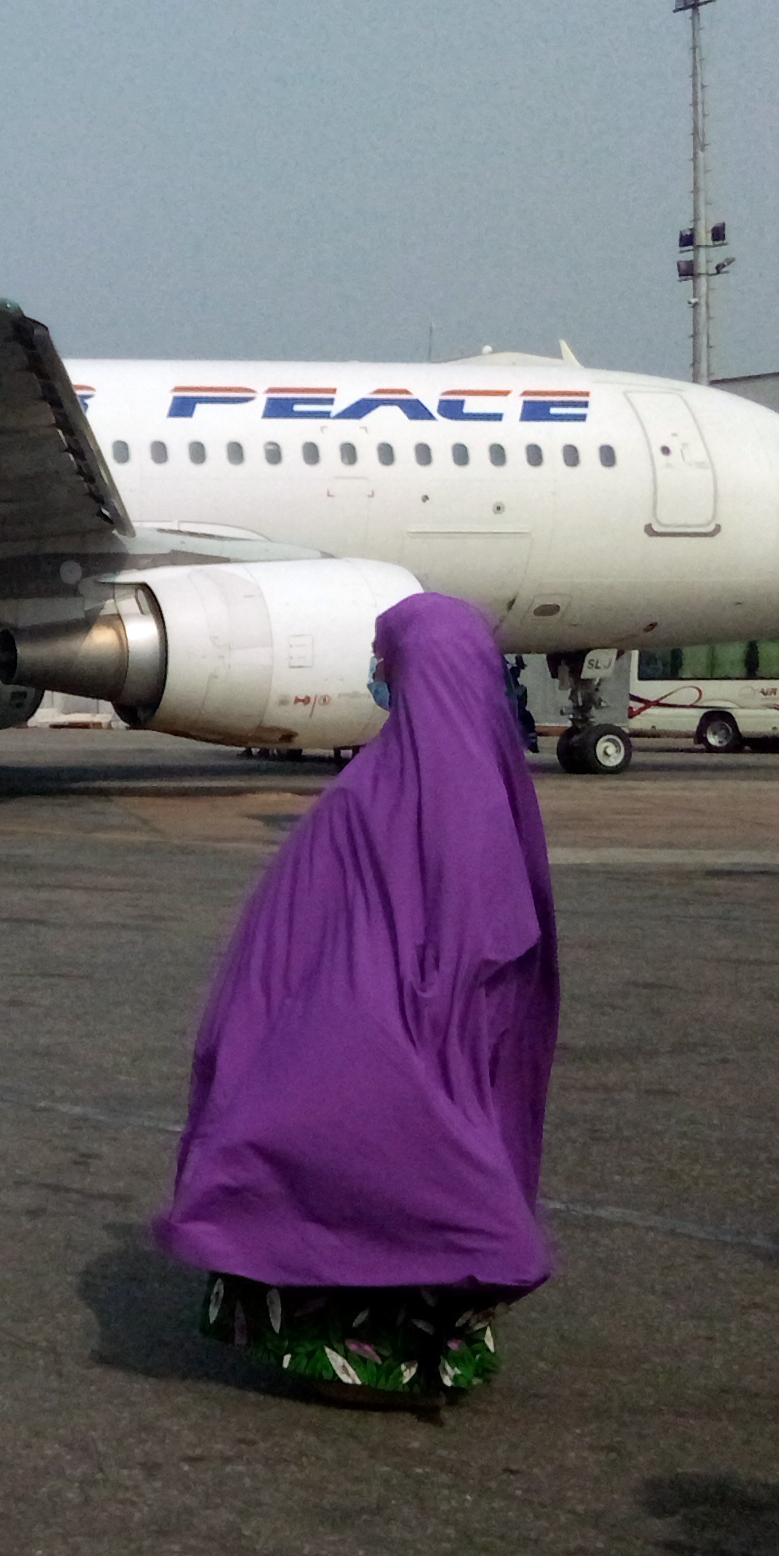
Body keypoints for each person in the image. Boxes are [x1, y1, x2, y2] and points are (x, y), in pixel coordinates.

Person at [154, 591, 562, 1407]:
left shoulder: (368, 794)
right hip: (456, 1033)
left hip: (360, 1024)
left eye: (385, 660)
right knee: (444, 1173)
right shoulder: (497, 796)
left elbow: (293, 937)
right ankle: (429, 1355)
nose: (377, 673)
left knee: (336, 1163)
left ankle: (343, 1354)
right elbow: (509, 932)